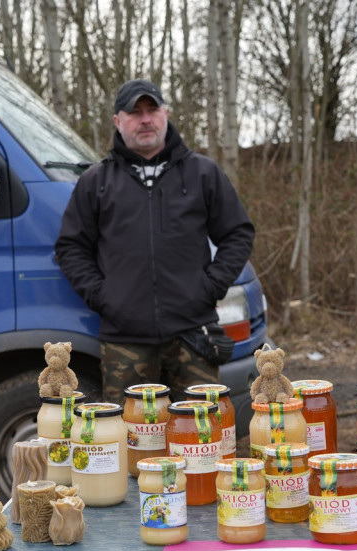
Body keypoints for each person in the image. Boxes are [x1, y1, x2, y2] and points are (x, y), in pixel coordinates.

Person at [55, 78, 255, 402]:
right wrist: (105, 297)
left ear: (166, 114)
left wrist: (210, 287)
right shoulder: (96, 182)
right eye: (135, 113)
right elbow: (70, 247)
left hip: (194, 335)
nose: (145, 119)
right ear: (118, 122)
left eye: (152, 110)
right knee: (129, 429)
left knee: (203, 428)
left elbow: (238, 233)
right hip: (125, 342)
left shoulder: (203, 173)